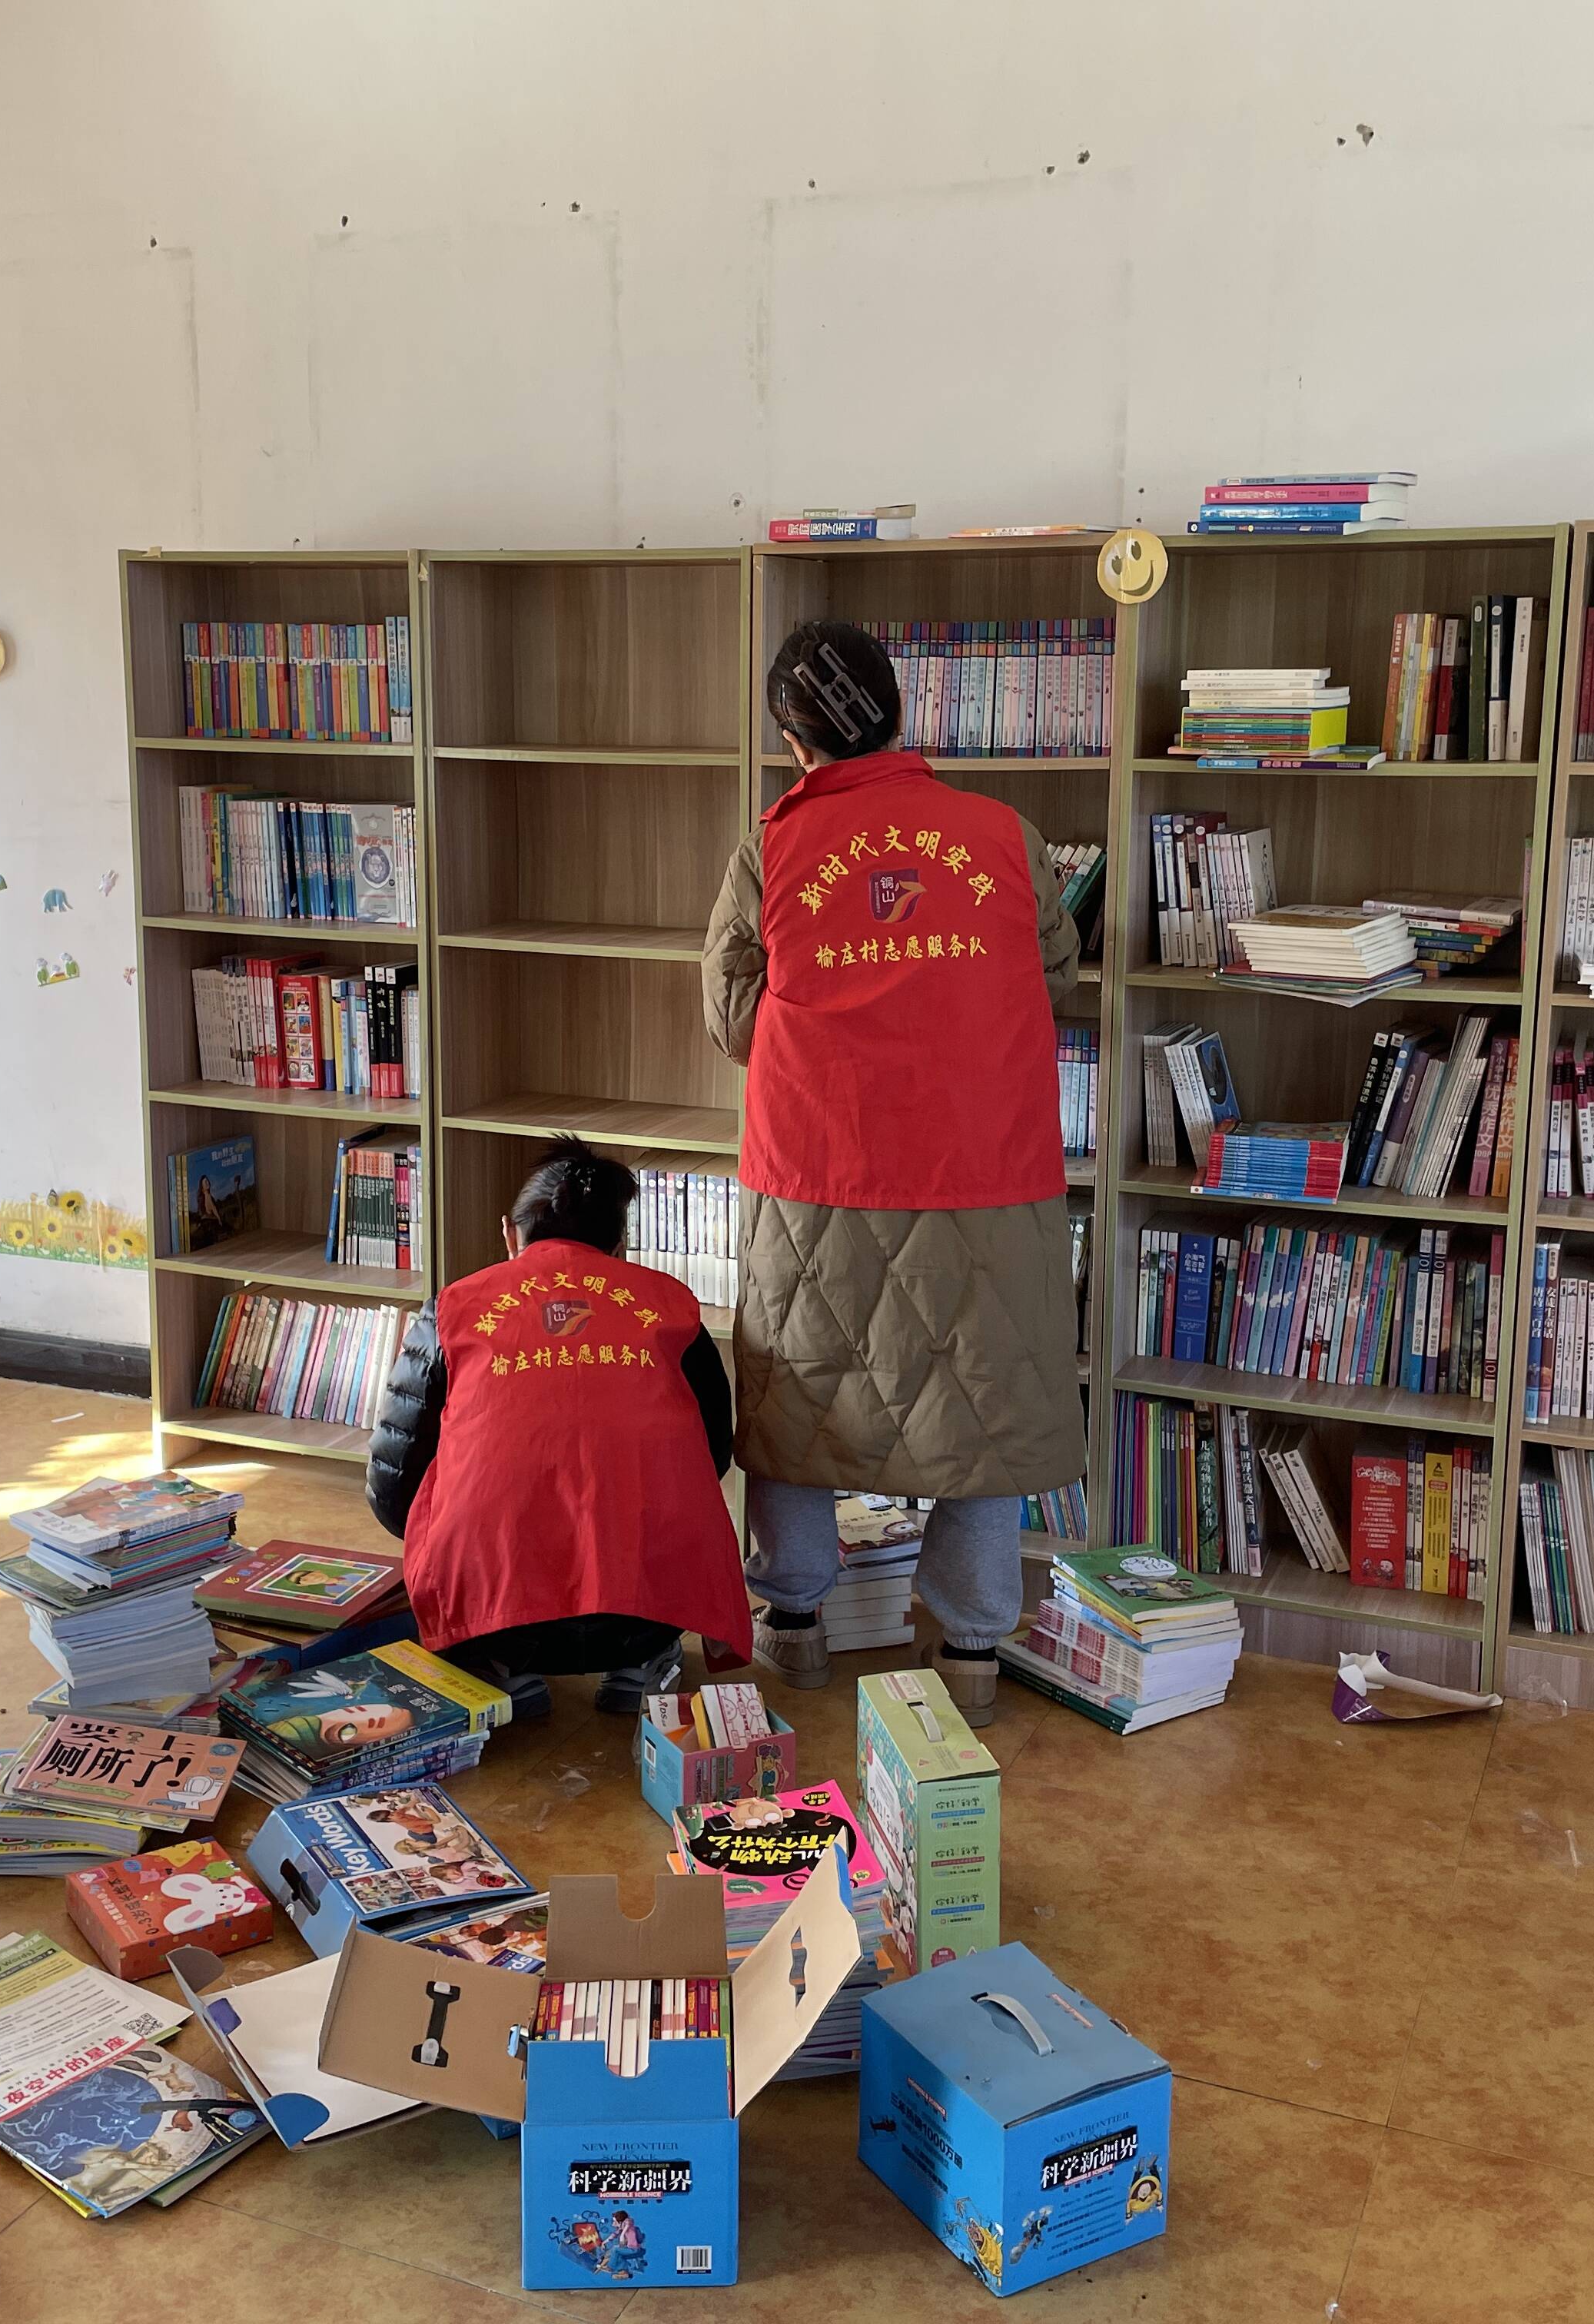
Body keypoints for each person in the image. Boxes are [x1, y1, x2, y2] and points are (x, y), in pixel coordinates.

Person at [704, 619, 1084, 1725]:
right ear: (902, 713)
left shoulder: (771, 848)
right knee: (985, 1409)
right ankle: (971, 1650)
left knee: (800, 1401)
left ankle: (795, 1626)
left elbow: (734, 1018)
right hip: (986, 1173)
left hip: (817, 1173)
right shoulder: (1005, 836)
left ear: (794, 740)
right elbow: (1051, 975)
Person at [365, 1138, 749, 1718]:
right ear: (619, 1247)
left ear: (509, 1234)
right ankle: (642, 1662)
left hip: (498, 1610)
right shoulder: (673, 1305)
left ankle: (501, 1669)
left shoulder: (452, 1308)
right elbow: (711, 1456)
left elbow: (394, 1484)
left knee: (452, 1518)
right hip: (643, 1606)